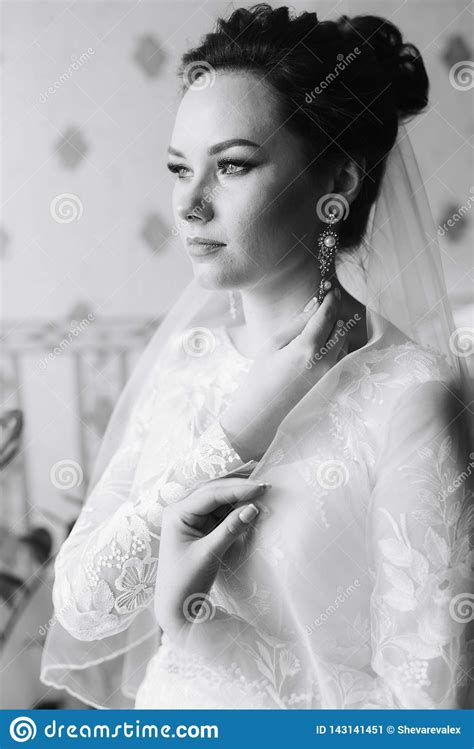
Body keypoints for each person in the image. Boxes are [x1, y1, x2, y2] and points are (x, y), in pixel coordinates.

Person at [41, 4, 473, 709]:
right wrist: (236, 430)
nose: (189, 203)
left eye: (232, 166)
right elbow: (83, 605)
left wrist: (195, 623)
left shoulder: (410, 395)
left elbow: (426, 718)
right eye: (179, 169)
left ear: (337, 185)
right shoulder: (191, 362)